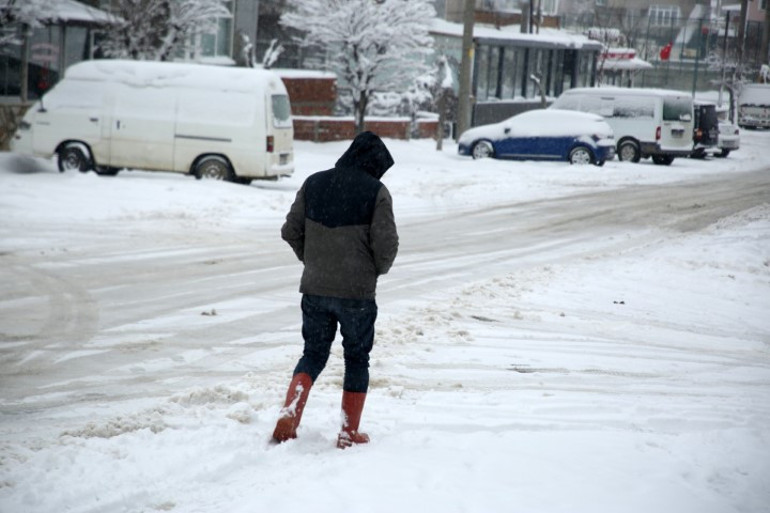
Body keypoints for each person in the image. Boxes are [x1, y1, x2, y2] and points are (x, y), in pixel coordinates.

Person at [272, 131, 399, 448]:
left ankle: (290, 413)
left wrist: (312, 261)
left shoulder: (314, 183)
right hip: (357, 294)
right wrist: (374, 271)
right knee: (357, 358)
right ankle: (348, 432)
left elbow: (291, 230)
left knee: (313, 354)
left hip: (315, 288)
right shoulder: (376, 191)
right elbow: (386, 245)